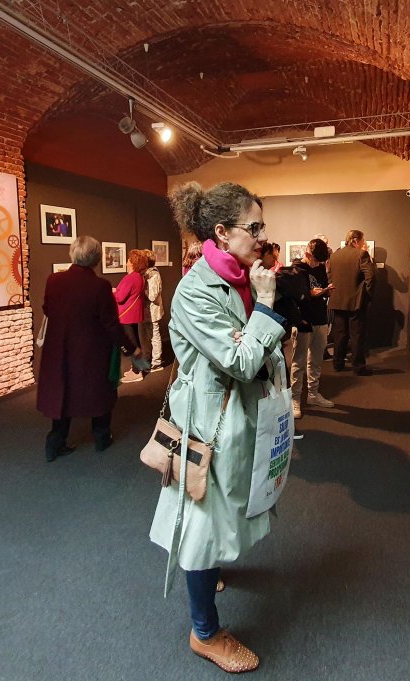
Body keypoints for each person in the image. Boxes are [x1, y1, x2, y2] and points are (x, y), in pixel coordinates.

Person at [150, 181, 288, 674]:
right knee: (202, 528)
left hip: (237, 419)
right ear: (222, 232)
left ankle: (208, 575)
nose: (262, 235)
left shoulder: (238, 279)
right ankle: (204, 632)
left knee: (223, 513)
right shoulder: (195, 292)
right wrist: (268, 309)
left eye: (261, 226)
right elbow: (240, 360)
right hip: (208, 428)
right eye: (254, 227)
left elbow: (258, 352)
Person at [36, 236, 141, 460]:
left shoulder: (53, 281)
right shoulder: (100, 286)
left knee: (63, 395)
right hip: (91, 352)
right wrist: (130, 349)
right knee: (99, 393)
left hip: (60, 350)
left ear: (72, 254)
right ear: (97, 258)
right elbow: (111, 325)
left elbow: (47, 308)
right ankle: (102, 438)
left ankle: (55, 443)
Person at [290, 238, 335, 418]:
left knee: (316, 360)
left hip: (320, 318)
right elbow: (300, 294)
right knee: (298, 362)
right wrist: (315, 292)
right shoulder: (297, 269)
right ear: (308, 253)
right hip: (303, 320)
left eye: (320, 261)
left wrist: (326, 291)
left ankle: (313, 394)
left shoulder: (320, 267)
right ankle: (294, 399)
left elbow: (321, 287)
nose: (318, 264)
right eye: (316, 260)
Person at [328, 228, 375, 375]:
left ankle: (338, 363)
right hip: (355, 302)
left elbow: (330, 276)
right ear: (356, 240)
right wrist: (367, 294)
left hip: (337, 300)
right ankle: (358, 366)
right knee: (357, 335)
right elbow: (371, 277)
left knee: (340, 334)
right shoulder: (361, 254)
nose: (363, 243)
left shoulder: (335, 255)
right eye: (362, 240)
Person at [114, 249, 149, 383]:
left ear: (133, 262)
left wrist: (112, 292)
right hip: (134, 314)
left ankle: (136, 371)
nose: (127, 262)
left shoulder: (130, 277)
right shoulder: (140, 277)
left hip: (127, 315)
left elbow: (120, 297)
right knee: (135, 341)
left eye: (129, 260)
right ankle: (138, 367)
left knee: (132, 344)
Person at [142, 250, 165, 371]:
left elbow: (152, 296)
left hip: (153, 311)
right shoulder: (148, 273)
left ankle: (157, 362)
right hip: (147, 311)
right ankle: (149, 359)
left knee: (154, 336)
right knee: (147, 336)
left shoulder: (154, 275)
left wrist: (140, 290)